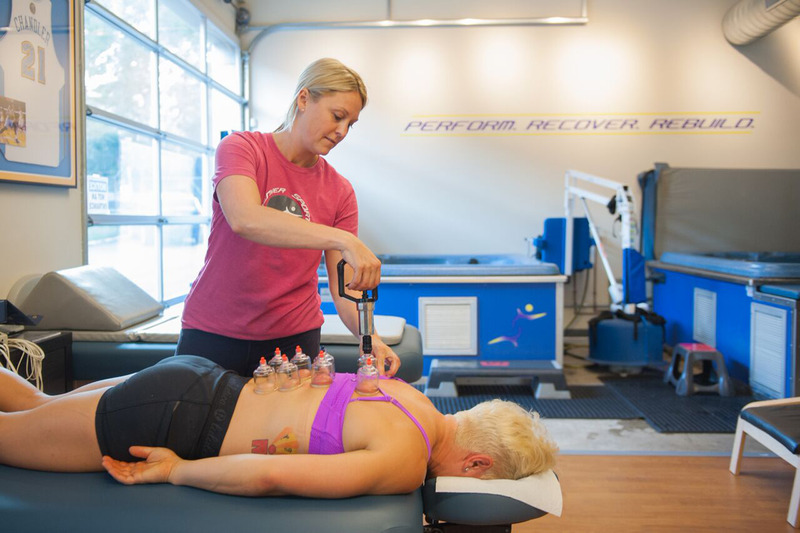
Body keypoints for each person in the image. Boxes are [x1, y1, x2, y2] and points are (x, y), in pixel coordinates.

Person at [0, 356, 558, 498]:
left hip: (196, 377)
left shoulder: (409, 393)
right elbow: (269, 477)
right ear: (477, 464)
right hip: (177, 418)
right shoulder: (407, 461)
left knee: (33, 401)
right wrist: (177, 472)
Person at [177, 58, 399, 377]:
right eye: (337, 116)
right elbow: (245, 218)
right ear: (304, 99)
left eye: (350, 124)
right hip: (213, 332)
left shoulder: (339, 191)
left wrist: (370, 338)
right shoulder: (242, 148)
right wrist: (344, 239)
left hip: (293, 339)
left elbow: (345, 289)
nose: (342, 132)